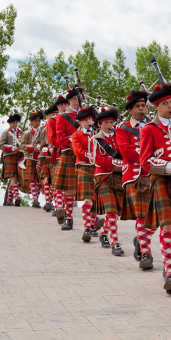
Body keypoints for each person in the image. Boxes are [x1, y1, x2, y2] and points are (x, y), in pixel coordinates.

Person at [140, 83, 171, 294]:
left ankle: (169, 263)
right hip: (161, 180)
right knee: (167, 226)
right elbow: (145, 162)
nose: (170, 106)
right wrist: (169, 166)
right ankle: (169, 270)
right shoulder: (149, 129)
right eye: (165, 104)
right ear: (156, 107)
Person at [115, 89, 153, 269]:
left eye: (143, 105)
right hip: (135, 175)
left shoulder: (154, 124)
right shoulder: (122, 129)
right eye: (137, 106)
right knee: (142, 215)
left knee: (159, 217)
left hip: (154, 174)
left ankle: (140, 238)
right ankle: (146, 254)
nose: (141, 109)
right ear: (130, 109)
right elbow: (126, 151)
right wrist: (150, 157)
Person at [91, 107, 126, 256]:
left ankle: (103, 233)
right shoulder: (95, 139)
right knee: (111, 212)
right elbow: (97, 159)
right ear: (99, 124)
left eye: (111, 122)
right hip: (104, 177)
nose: (109, 125)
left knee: (115, 213)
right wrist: (118, 164)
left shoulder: (119, 135)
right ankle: (115, 243)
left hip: (119, 177)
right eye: (106, 122)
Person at [52, 89, 81, 230]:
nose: (77, 101)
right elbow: (61, 138)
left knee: (90, 189)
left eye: (79, 98)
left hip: (85, 155)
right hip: (69, 153)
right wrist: (76, 142)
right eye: (75, 98)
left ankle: (92, 223)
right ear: (69, 100)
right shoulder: (62, 117)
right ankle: (69, 218)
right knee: (69, 189)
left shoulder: (86, 115)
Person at [72, 106, 98, 238]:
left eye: (91, 119)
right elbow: (78, 153)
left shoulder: (98, 134)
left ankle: (93, 225)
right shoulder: (76, 135)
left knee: (96, 199)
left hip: (97, 168)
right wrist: (93, 156)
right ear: (81, 122)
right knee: (88, 200)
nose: (90, 122)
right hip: (84, 168)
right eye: (87, 120)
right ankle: (87, 227)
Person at [47, 95, 67, 216]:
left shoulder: (74, 119)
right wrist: (64, 143)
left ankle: (64, 206)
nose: (64, 107)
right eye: (61, 105)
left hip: (71, 153)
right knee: (58, 181)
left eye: (65, 104)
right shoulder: (53, 121)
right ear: (58, 107)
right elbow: (52, 138)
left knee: (67, 183)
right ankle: (58, 206)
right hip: (59, 152)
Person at [19, 111, 44, 208]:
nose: (38, 122)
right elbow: (22, 146)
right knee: (32, 179)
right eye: (36, 121)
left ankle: (40, 198)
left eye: (39, 120)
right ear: (31, 122)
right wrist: (31, 148)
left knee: (40, 179)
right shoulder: (27, 134)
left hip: (41, 158)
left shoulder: (43, 131)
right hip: (30, 158)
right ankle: (35, 199)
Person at [0, 114, 24, 206]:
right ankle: (17, 197)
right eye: (13, 122)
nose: (15, 124)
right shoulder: (6, 133)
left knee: (16, 178)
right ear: (10, 123)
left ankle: (9, 200)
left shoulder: (21, 133)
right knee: (13, 177)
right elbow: (1, 146)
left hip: (19, 157)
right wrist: (13, 148)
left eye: (16, 122)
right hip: (9, 156)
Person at [35, 106, 56, 211]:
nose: (55, 116)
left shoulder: (60, 126)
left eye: (56, 114)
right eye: (52, 114)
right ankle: (48, 201)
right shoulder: (42, 129)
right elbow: (36, 144)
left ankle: (58, 203)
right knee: (47, 179)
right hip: (45, 157)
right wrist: (47, 150)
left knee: (55, 180)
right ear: (47, 116)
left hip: (56, 157)